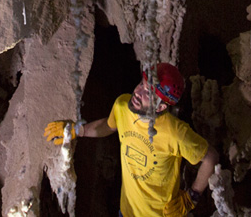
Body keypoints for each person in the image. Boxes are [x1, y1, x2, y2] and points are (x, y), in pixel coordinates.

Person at [44, 62, 219, 217]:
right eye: (141, 84)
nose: (137, 92)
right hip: (126, 211)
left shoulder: (175, 133)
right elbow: (109, 125)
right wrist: (77, 130)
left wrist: (191, 197)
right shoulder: (123, 106)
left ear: (161, 106)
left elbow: (210, 158)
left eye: (148, 92)